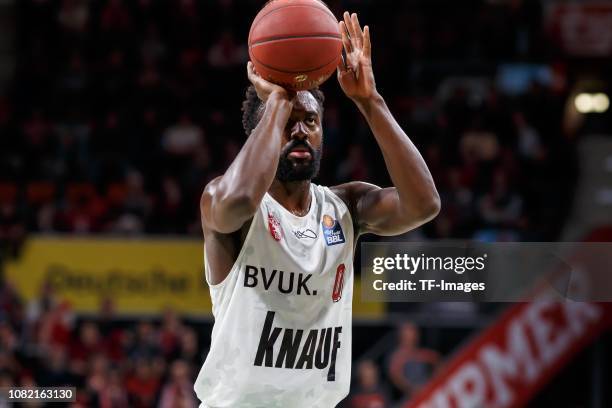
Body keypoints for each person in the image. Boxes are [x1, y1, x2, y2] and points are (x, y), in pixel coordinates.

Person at [195, 12, 440, 408]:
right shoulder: (224, 202)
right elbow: (237, 200)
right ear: (264, 130)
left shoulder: (346, 206)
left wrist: (369, 101)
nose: (300, 131)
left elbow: (424, 204)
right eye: (288, 122)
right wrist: (277, 99)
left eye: (310, 120)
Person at [388, 322, 440, 399]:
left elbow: (436, 359)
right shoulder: (397, 356)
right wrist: (411, 388)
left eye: (414, 331)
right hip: (410, 397)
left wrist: (432, 382)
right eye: (409, 331)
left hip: (427, 391)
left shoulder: (421, 352)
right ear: (402, 335)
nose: (413, 335)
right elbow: (395, 375)